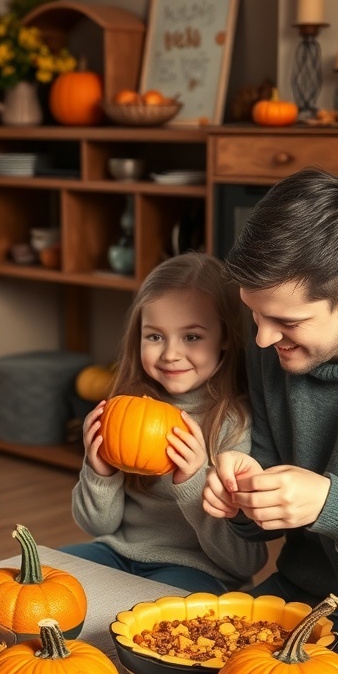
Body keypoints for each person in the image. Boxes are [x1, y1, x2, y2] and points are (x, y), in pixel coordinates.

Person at [202, 166, 338, 630]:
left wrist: (331, 506)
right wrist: (248, 496)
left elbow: (327, 508)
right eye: (254, 314)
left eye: (287, 322)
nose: (262, 339)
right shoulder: (275, 347)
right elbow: (271, 527)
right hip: (300, 597)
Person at [61, 252, 266, 592]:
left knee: (159, 615)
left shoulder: (234, 424)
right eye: (155, 336)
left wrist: (194, 481)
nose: (170, 354)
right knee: (43, 577)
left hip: (200, 568)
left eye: (192, 337)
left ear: (225, 336)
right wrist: (100, 471)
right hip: (119, 552)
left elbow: (244, 560)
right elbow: (98, 526)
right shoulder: (125, 407)